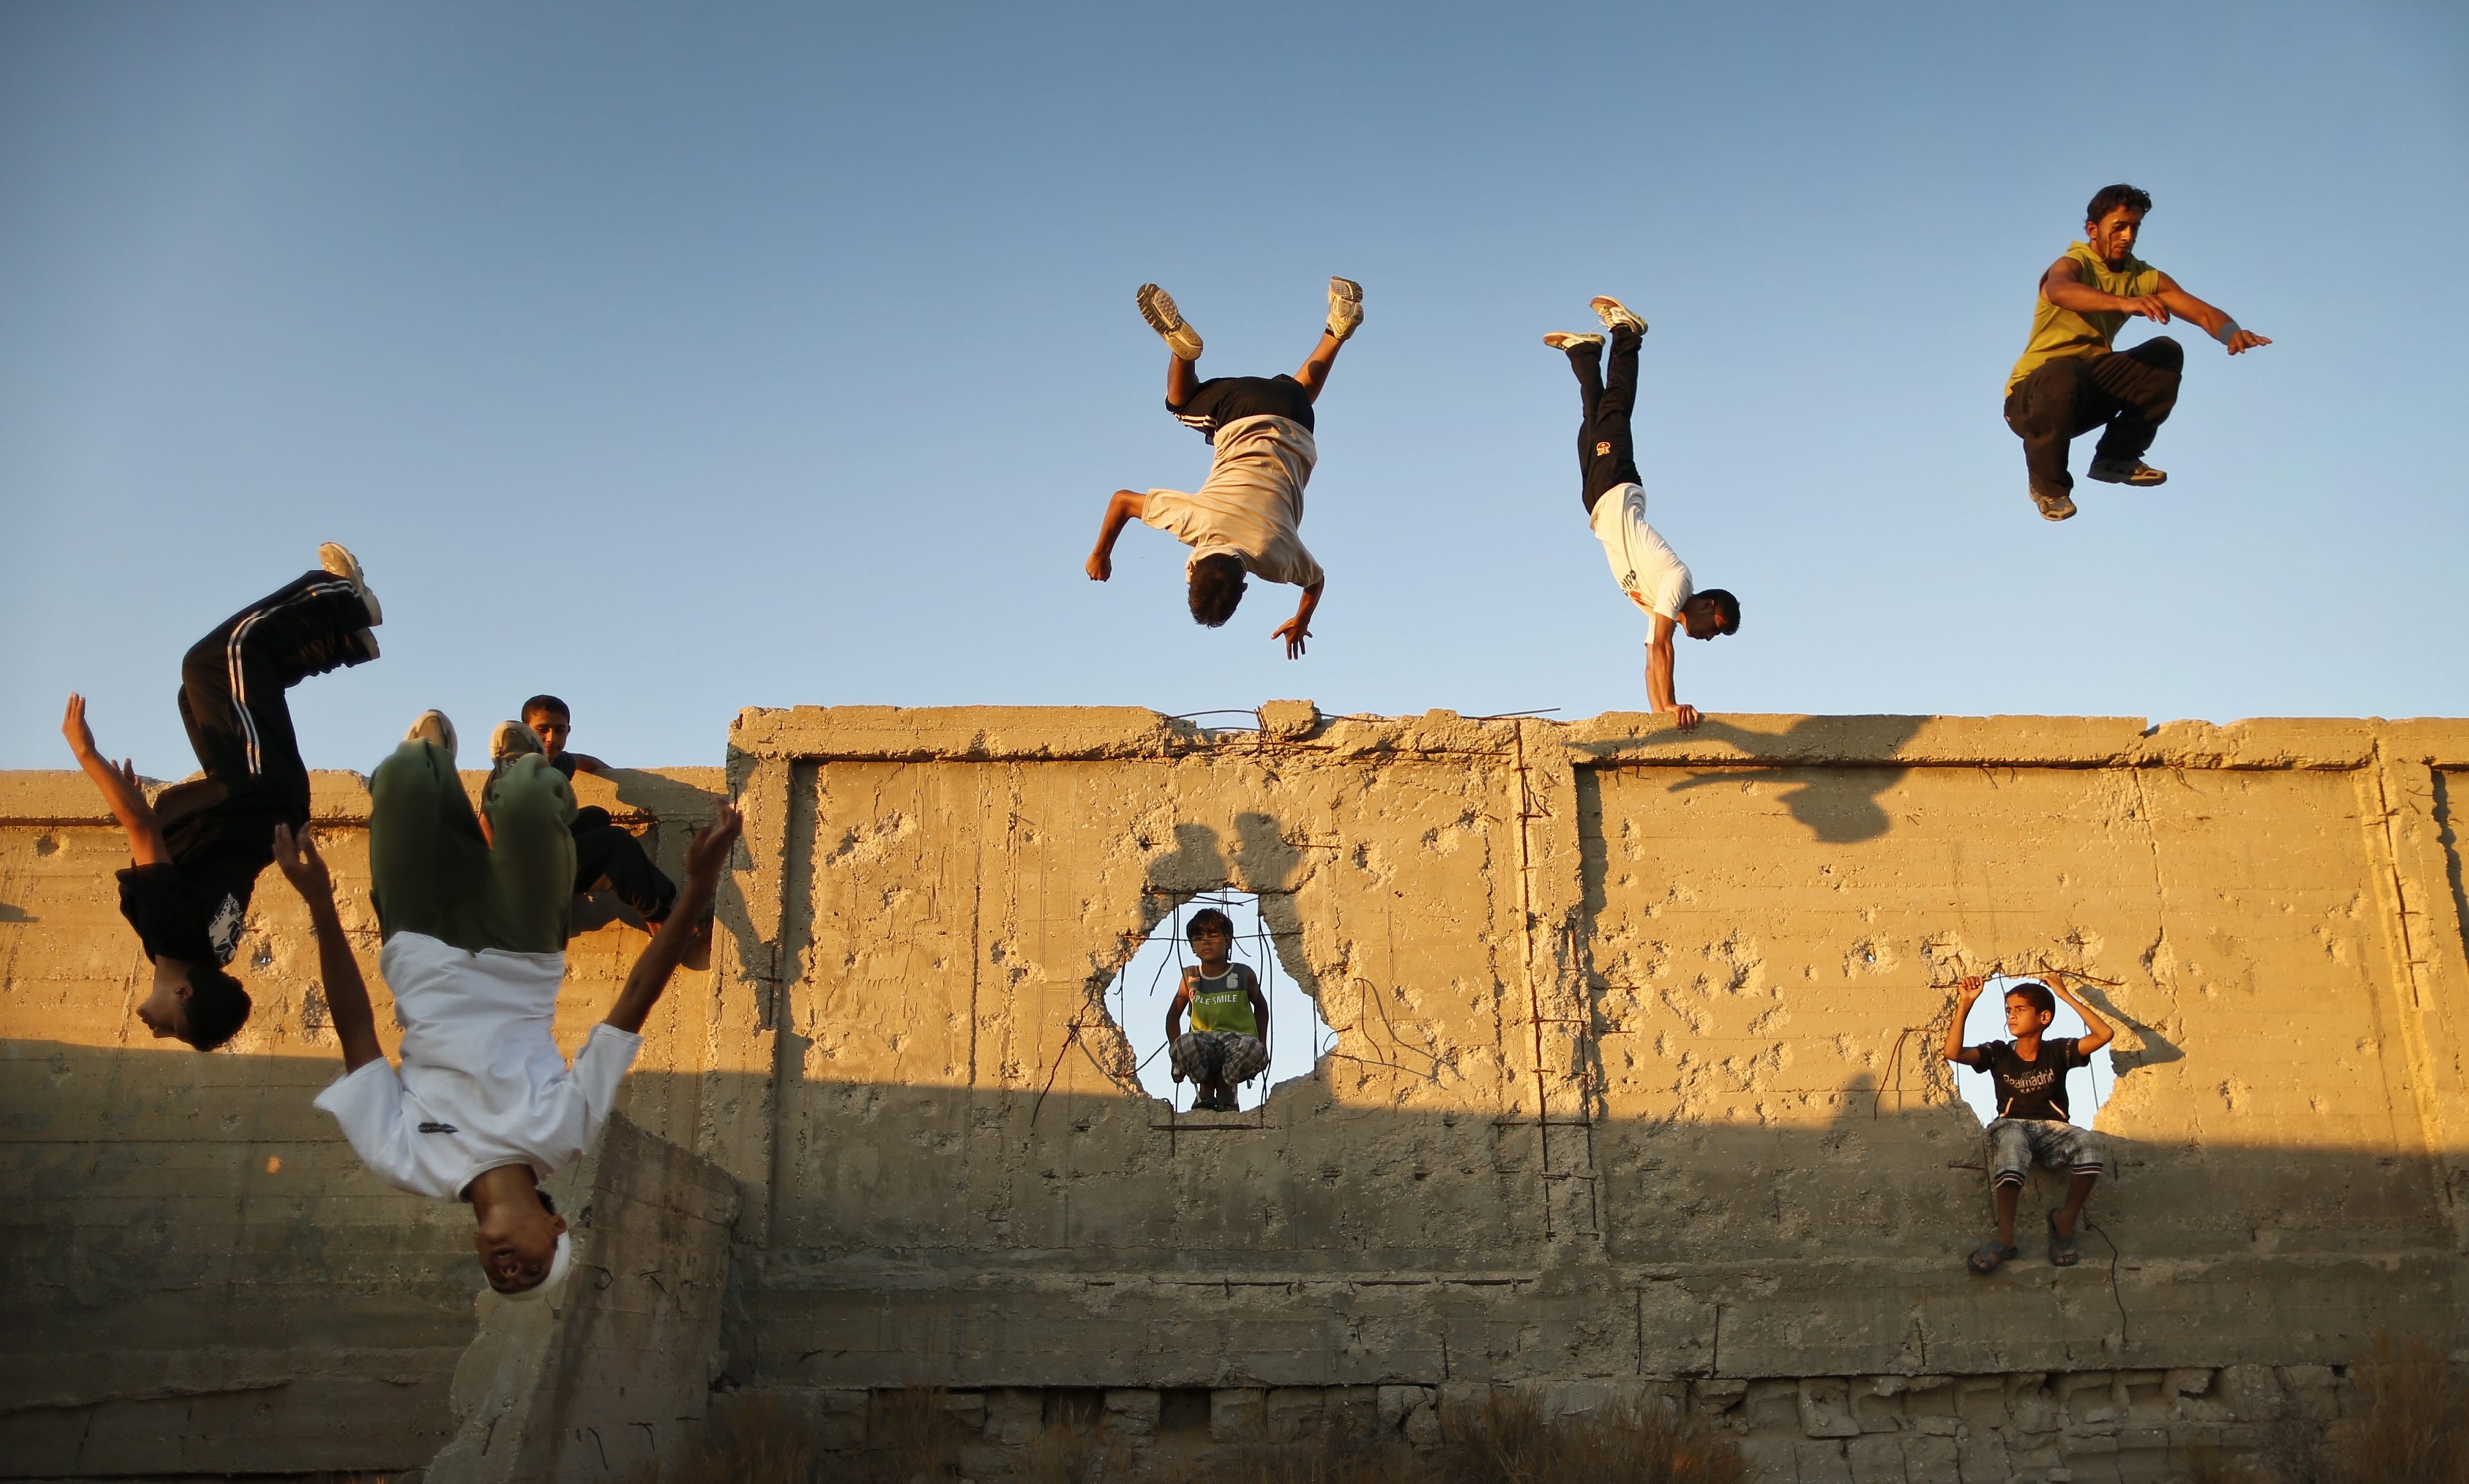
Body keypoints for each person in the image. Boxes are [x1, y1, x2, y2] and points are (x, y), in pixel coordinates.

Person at [276, 710, 741, 1297]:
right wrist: (698, 886)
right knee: (529, 792)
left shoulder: (405, 1161)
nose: (511, 1269)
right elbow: (634, 998)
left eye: (502, 1278)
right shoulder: (562, 1132)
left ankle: (431, 756)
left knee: (401, 779)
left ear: (477, 1250)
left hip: (419, 935)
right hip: (519, 943)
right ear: (555, 1226)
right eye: (534, 1268)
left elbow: (357, 1033)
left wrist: (320, 901)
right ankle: (514, 769)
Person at [58, 544, 383, 1050]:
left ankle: (345, 642)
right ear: (184, 992)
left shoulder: (215, 951)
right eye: (175, 1026)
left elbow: (190, 853)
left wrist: (150, 808)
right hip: (253, 790)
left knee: (198, 698)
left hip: (267, 802)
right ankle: (343, 597)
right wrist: (86, 754)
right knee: (216, 662)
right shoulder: (172, 937)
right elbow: (141, 833)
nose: (159, 1030)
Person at [1084, 278, 1362, 659]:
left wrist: (1302, 620)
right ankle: (1184, 355)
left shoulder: (1280, 560)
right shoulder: (1194, 522)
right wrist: (1101, 554)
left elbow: (1316, 582)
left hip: (1297, 422)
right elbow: (1121, 502)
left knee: (1300, 391)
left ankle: (1337, 332)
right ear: (1194, 566)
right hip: (1241, 412)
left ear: (1245, 586)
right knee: (1181, 404)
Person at [2004, 183, 2272, 521]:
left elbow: (2201, 311)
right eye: (2118, 227)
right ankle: (2049, 487)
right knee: (2064, 371)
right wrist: (2122, 303)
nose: (2127, 236)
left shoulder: (2141, 275)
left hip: (2084, 395)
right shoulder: (2075, 264)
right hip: (2030, 399)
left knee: (2165, 352)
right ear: (2093, 230)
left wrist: (2233, 333)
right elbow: (2060, 291)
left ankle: (2117, 457)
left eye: (2134, 228)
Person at [1543, 297, 1741, 732]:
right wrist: (1672, 705)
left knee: (1592, 419)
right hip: (1618, 483)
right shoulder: (1676, 583)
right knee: (1615, 411)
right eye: (1715, 628)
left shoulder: (1656, 606)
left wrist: (1659, 717)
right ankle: (1627, 334)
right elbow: (1662, 651)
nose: (1708, 637)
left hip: (1597, 501)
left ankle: (1585, 352)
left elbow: (1650, 665)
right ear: (1708, 605)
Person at [482, 697, 698, 964]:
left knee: (597, 817)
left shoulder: (557, 763)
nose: (551, 738)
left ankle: (607, 876)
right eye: (542, 730)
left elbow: (583, 760)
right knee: (616, 841)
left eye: (559, 730)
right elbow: (486, 825)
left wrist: (618, 776)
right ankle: (662, 927)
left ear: (568, 732)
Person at [1943, 972, 2115, 1274]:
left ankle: (2064, 1221)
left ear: (2044, 1017)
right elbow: (1953, 1053)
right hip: (2011, 1124)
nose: (2011, 1016)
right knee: (2012, 1142)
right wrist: (1966, 1004)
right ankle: (2005, 1239)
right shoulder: (1998, 1053)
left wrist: (2063, 994)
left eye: (2020, 1010)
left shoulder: (2058, 1051)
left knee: (2090, 1145)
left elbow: (2104, 1035)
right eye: (2009, 1010)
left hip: (2053, 1130)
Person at [1163, 908, 1271, 1113]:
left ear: (1228, 941)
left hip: (1237, 1042)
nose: (1206, 942)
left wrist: (1263, 1045)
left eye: (1213, 936)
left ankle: (1226, 1091)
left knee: (1251, 1047)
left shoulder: (1242, 974)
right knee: (1185, 1042)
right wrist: (1177, 1060)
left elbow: (1262, 1009)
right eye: (1199, 938)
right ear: (1193, 947)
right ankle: (1206, 1090)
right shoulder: (1191, 977)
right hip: (1204, 1043)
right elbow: (1172, 1018)